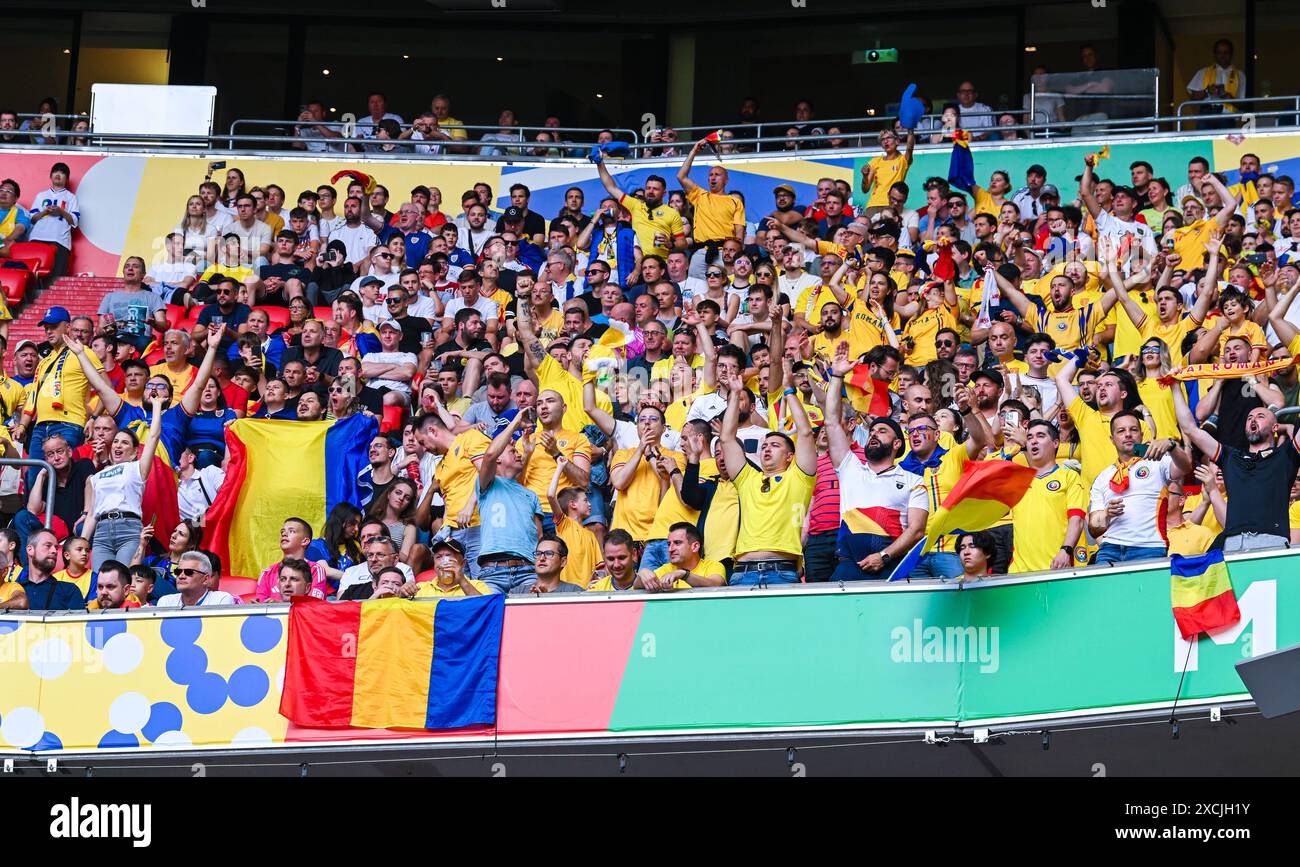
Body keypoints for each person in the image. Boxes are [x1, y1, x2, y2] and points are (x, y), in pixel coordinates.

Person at [1173, 385, 1299, 554]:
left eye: (1260, 416)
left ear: (1275, 427)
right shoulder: (1231, 457)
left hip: (1272, 540)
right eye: (1249, 418)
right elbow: (1190, 429)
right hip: (1233, 543)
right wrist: (1174, 385)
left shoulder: (1286, 455)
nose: (1253, 420)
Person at [719, 373, 817, 586]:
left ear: (790, 456)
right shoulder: (747, 477)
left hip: (782, 571)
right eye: (764, 445)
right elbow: (726, 438)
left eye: (774, 445)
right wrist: (735, 394)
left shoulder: (799, 478)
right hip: (742, 573)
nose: (766, 448)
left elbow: (806, 432)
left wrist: (789, 390)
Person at [1088, 411, 1191, 566]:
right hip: (1109, 550)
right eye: (1121, 431)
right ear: (1112, 439)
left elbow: (1185, 467)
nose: (1128, 434)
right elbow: (1094, 529)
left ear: (1142, 435)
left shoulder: (1157, 461)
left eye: (1133, 430)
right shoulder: (1102, 477)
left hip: (1149, 548)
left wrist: (1172, 446)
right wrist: (1107, 514)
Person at [82, 396, 164, 571]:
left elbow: (154, 436)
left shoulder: (137, 468)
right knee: (99, 581)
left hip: (128, 528)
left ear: (134, 452)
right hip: (101, 532)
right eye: (116, 441)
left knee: (123, 579)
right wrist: (82, 541)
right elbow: (92, 514)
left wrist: (156, 406)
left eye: (125, 442)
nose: (118, 445)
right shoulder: (98, 476)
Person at [476, 412, 545, 594]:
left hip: (528, 570)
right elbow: (490, 454)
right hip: (492, 571)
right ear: (499, 458)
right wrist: (515, 423)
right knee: (489, 617)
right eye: (513, 451)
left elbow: (539, 537)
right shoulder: (488, 484)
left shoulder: (531, 495)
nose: (518, 454)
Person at [1009, 420, 1087, 573]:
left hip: (1057, 567)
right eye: (1029, 437)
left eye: (1040, 436)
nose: (1033, 441)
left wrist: (1066, 550)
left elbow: (1076, 520)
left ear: (1056, 443)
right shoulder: (1016, 481)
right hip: (1019, 572)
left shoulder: (1068, 476)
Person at [634, 521, 725, 592]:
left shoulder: (713, 566)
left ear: (695, 547)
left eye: (677, 543)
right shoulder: (666, 569)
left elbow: (716, 585)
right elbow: (637, 588)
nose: (670, 549)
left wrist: (684, 574)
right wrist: (642, 574)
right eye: (669, 544)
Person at [254, 517, 330, 601]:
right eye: (282, 532)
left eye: (291, 531)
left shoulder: (316, 570)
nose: (284, 534)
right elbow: (259, 607)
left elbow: (315, 605)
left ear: (305, 541)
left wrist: (280, 607)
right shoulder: (267, 573)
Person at [17, 528, 84, 610]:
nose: (54, 551)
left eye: (56, 547)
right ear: (30, 550)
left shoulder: (69, 590)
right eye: (48, 546)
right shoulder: (14, 590)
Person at [409, 538, 491, 598]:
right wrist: (403, 594)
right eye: (439, 557)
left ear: (462, 564)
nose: (443, 561)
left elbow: (487, 610)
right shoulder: (420, 588)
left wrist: (462, 581)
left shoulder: (478, 585)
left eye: (448, 556)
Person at [155, 551, 237, 607]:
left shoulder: (221, 600)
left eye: (189, 572)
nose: (181, 576)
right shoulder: (166, 602)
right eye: (178, 571)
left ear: (205, 579)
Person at [512, 534, 585, 595]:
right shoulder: (517, 593)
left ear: (563, 562)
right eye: (538, 554)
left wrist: (546, 600)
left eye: (549, 553)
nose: (542, 558)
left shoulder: (575, 593)